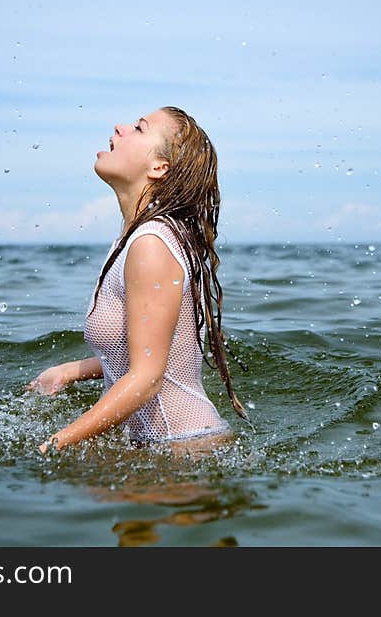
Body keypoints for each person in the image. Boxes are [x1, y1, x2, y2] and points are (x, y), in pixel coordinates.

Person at [26, 106, 248, 452]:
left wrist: (55, 443)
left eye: (139, 128)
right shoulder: (134, 238)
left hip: (185, 449)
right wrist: (71, 370)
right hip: (163, 447)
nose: (120, 127)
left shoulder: (151, 245)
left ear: (159, 167)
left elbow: (147, 377)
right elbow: (152, 353)